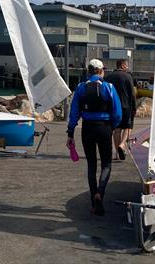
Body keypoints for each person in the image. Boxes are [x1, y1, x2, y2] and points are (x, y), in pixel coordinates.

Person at [67, 59, 122, 216]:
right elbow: (117, 113)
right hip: (104, 128)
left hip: (88, 128)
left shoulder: (80, 88)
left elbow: (74, 113)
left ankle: (93, 202)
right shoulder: (108, 87)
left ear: (89, 71)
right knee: (106, 164)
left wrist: (70, 133)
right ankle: (100, 193)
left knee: (91, 164)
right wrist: (112, 126)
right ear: (100, 71)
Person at [105, 59, 136, 160]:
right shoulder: (128, 76)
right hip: (126, 106)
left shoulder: (108, 77)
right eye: (126, 66)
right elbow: (132, 93)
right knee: (127, 127)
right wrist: (134, 107)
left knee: (117, 130)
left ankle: (117, 155)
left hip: (113, 107)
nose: (127, 68)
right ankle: (122, 145)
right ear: (122, 66)